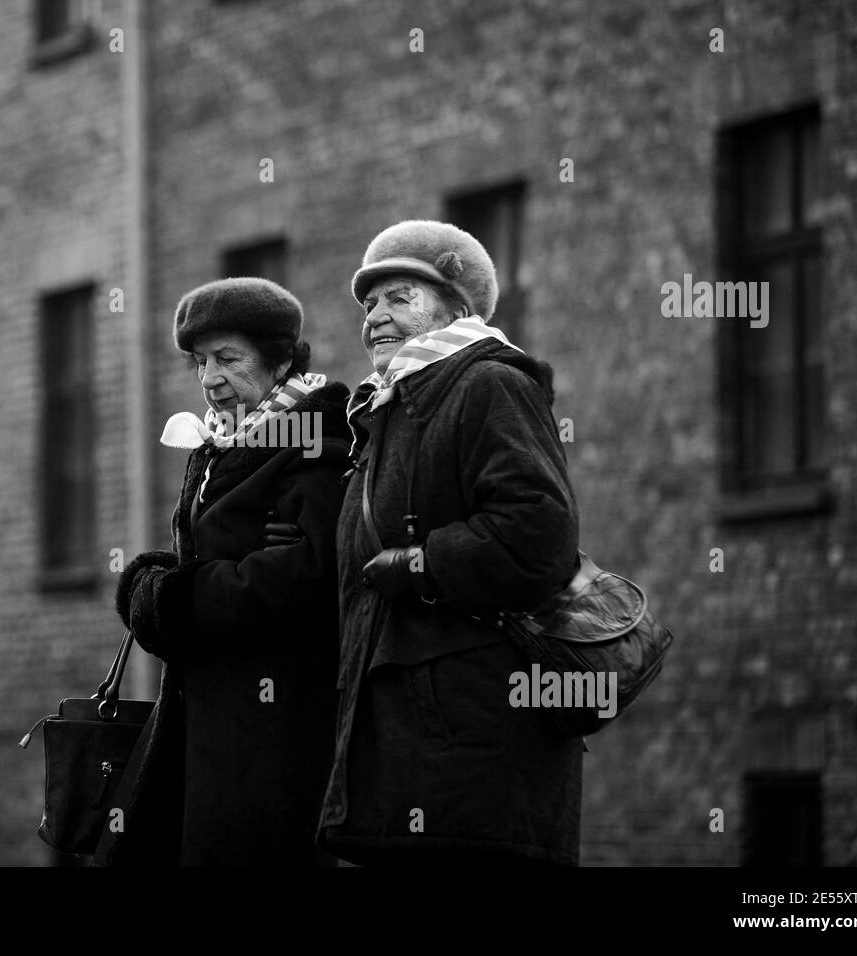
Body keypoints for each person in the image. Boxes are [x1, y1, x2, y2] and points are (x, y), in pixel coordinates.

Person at [315, 220, 583, 867]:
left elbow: (539, 535)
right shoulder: (389, 411)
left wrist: (423, 562)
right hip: (405, 762)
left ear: (457, 308)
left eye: (399, 297)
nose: (375, 314)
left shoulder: (489, 385)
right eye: (369, 302)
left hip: (472, 770)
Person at [97, 277, 351, 866]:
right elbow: (230, 566)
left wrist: (168, 598)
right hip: (206, 721)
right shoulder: (224, 443)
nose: (210, 378)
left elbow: (308, 575)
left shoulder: (317, 439)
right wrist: (154, 582)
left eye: (228, 359)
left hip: (274, 732)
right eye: (201, 361)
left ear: (281, 357)